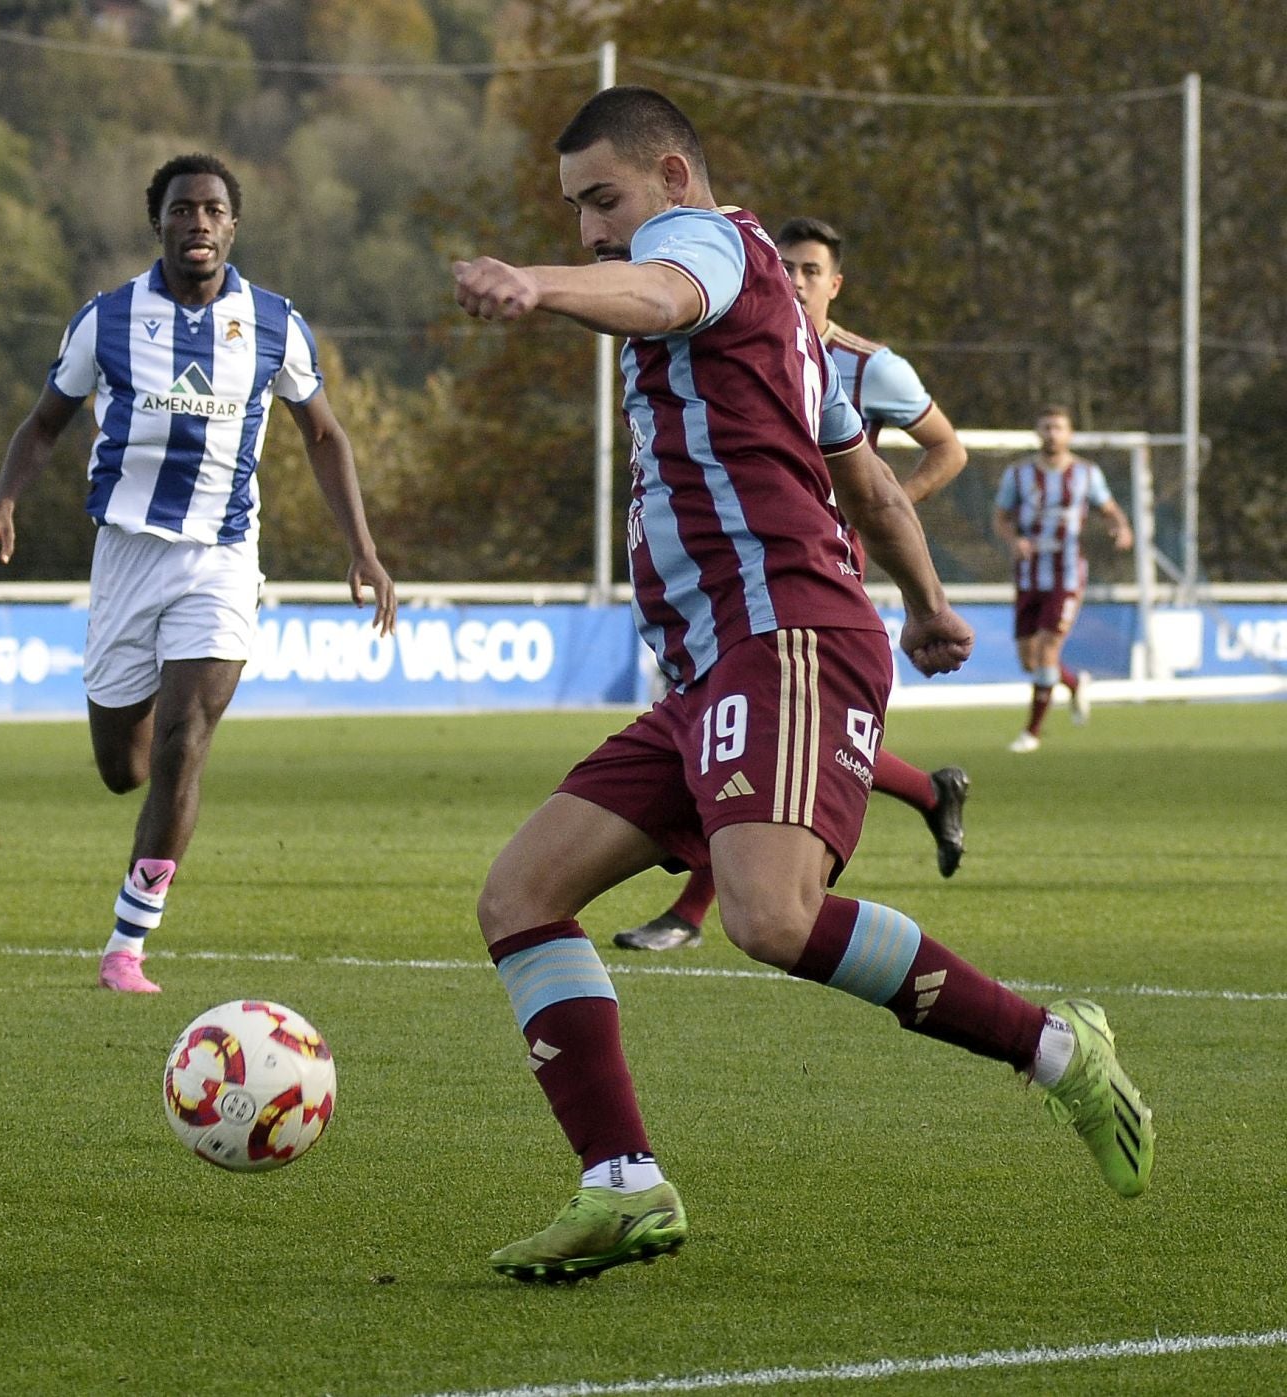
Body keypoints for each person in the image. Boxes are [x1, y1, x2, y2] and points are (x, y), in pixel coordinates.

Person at [452, 87, 1152, 1283]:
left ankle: (1056, 1047)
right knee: (519, 894)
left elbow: (659, 291)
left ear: (674, 176)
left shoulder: (703, 245)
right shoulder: (782, 314)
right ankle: (623, 1184)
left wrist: (541, 285)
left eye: (602, 203)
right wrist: (930, 603)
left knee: (769, 913)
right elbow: (867, 481)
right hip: (714, 661)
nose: (589, 235)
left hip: (781, 631)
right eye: (571, 217)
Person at [0, 153, 396, 993]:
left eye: (213, 209)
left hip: (222, 557)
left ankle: (128, 941)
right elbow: (45, 423)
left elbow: (325, 436)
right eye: (182, 209)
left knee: (183, 741)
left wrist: (364, 548)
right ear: (156, 221)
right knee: (122, 767)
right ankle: (162, 723)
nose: (198, 222)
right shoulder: (108, 320)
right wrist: (1, 503)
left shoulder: (274, 324)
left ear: (234, 225)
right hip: (126, 554)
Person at [615, 215, 971, 952]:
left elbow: (948, 448)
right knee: (776, 737)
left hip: (817, 573)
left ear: (836, 283)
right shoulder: (742, 339)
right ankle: (932, 792)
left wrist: (882, 507)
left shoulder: (872, 368)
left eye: (814, 269)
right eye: (790, 266)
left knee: (764, 737)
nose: (800, 279)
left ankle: (690, 908)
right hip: (741, 569)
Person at [994, 405, 1133, 753]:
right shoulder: (1018, 474)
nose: (1052, 434)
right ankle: (1073, 683)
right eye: (1046, 427)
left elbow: (1109, 508)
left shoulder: (1086, 473)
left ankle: (1032, 733)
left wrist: (1120, 526)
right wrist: (1015, 541)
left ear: (1069, 433)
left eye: (1058, 427)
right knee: (1030, 660)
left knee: (1046, 650)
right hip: (1028, 575)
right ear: (1037, 432)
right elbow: (1000, 517)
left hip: (1067, 573)